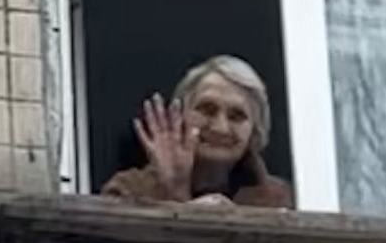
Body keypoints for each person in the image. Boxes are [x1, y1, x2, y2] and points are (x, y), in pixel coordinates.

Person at [100, 54, 293, 209]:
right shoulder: (129, 189)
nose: (220, 128)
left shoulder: (274, 200)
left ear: (254, 132)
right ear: (178, 116)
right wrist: (173, 195)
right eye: (206, 109)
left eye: (237, 116)